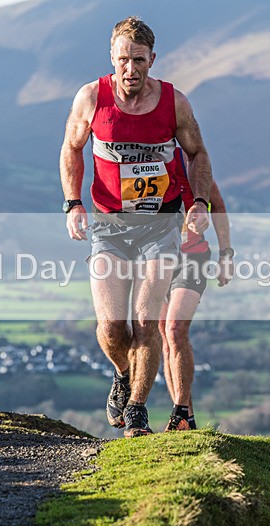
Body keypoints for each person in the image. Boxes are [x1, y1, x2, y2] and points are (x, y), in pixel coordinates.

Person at [59, 16, 214, 437]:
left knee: (147, 322)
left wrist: (198, 202)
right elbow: (72, 149)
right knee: (112, 326)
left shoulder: (173, 103)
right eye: (124, 59)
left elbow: (198, 153)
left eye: (139, 60)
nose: (131, 69)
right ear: (112, 57)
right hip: (110, 226)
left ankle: (137, 410)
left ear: (152, 59)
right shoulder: (91, 98)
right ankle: (123, 373)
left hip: (160, 226)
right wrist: (73, 203)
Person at [160, 151, 233, 431]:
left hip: (192, 257)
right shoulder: (136, 159)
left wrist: (226, 254)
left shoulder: (187, 162)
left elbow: (218, 205)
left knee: (176, 329)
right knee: (165, 340)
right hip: (153, 259)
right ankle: (184, 418)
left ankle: (180, 412)